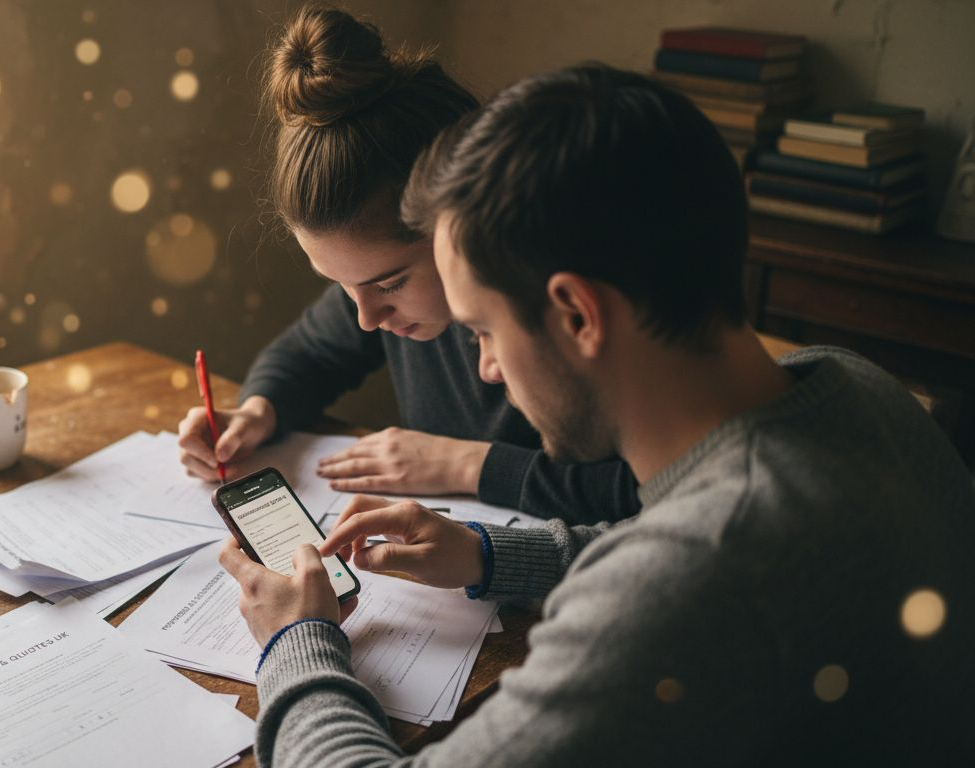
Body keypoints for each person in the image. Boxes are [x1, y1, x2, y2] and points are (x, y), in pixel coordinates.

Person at [218, 64, 975, 766]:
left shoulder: (674, 595)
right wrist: (491, 555)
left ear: (578, 314)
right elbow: (671, 539)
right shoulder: (853, 384)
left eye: (483, 331)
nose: (483, 366)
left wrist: (297, 641)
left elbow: (682, 568)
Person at [177, 6, 637, 525]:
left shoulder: (565, 310)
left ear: (457, 223)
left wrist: (466, 465)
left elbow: (656, 490)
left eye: (390, 283)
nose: (367, 319)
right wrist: (258, 411)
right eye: (342, 287)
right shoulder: (381, 296)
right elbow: (309, 351)